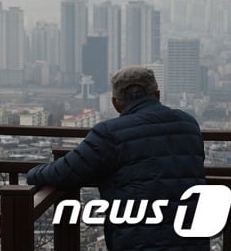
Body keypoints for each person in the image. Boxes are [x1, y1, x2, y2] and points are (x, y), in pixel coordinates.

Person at [27, 66, 209, 250]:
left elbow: (65, 172)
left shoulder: (109, 134)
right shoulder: (188, 124)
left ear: (115, 103)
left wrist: (33, 174)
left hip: (138, 242)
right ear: (157, 94)